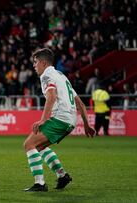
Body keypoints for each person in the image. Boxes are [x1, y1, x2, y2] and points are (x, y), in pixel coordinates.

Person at [23, 48, 96, 192]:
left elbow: (51, 96)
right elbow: (80, 103)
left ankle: (40, 184)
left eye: (35, 62)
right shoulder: (61, 75)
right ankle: (62, 176)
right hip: (70, 121)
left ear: (43, 63)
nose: (34, 65)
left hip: (60, 118)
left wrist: (44, 119)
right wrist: (87, 126)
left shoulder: (46, 76)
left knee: (29, 144)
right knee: (40, 147)